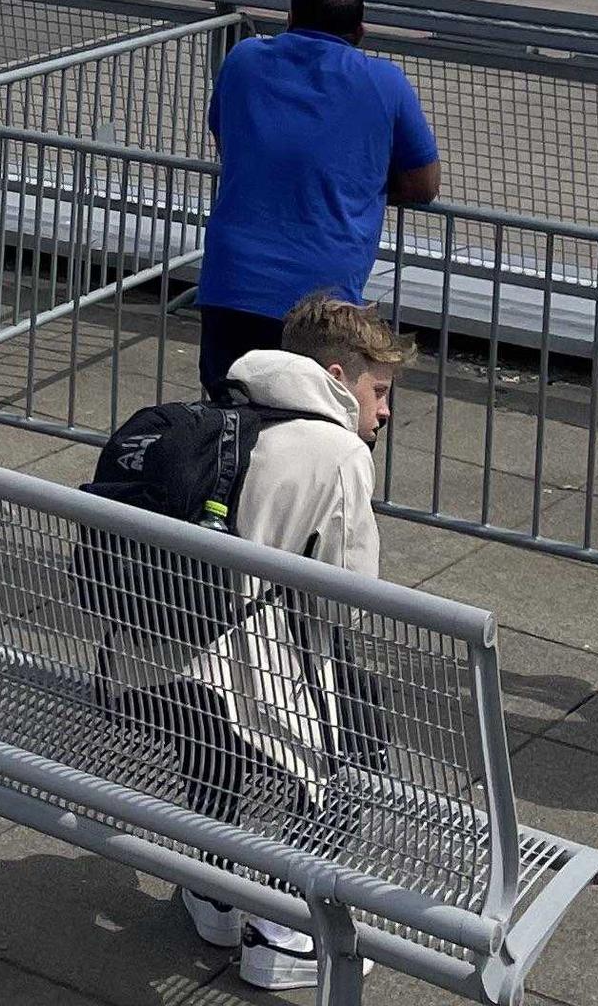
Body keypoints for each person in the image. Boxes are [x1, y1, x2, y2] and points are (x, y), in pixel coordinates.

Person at [169, 293, 415, 995]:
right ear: (338, 377)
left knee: (217, 708)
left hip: (171, 659)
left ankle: (212, 889)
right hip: (260, 670)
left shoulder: (226, 410)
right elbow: (349, 599)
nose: (385, 411)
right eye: (378, 390)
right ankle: (287, 931)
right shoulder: (336, 450)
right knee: (356, 718)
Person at [197, 0, 441, 400]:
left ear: (290, 18)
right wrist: (364, 188)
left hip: (233, 282)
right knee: (315, 425)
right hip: (324, 301)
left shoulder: (245, 59)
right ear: (360, 32)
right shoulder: (385, 81)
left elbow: (227, 140)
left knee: (227, 425)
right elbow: (423, 183)